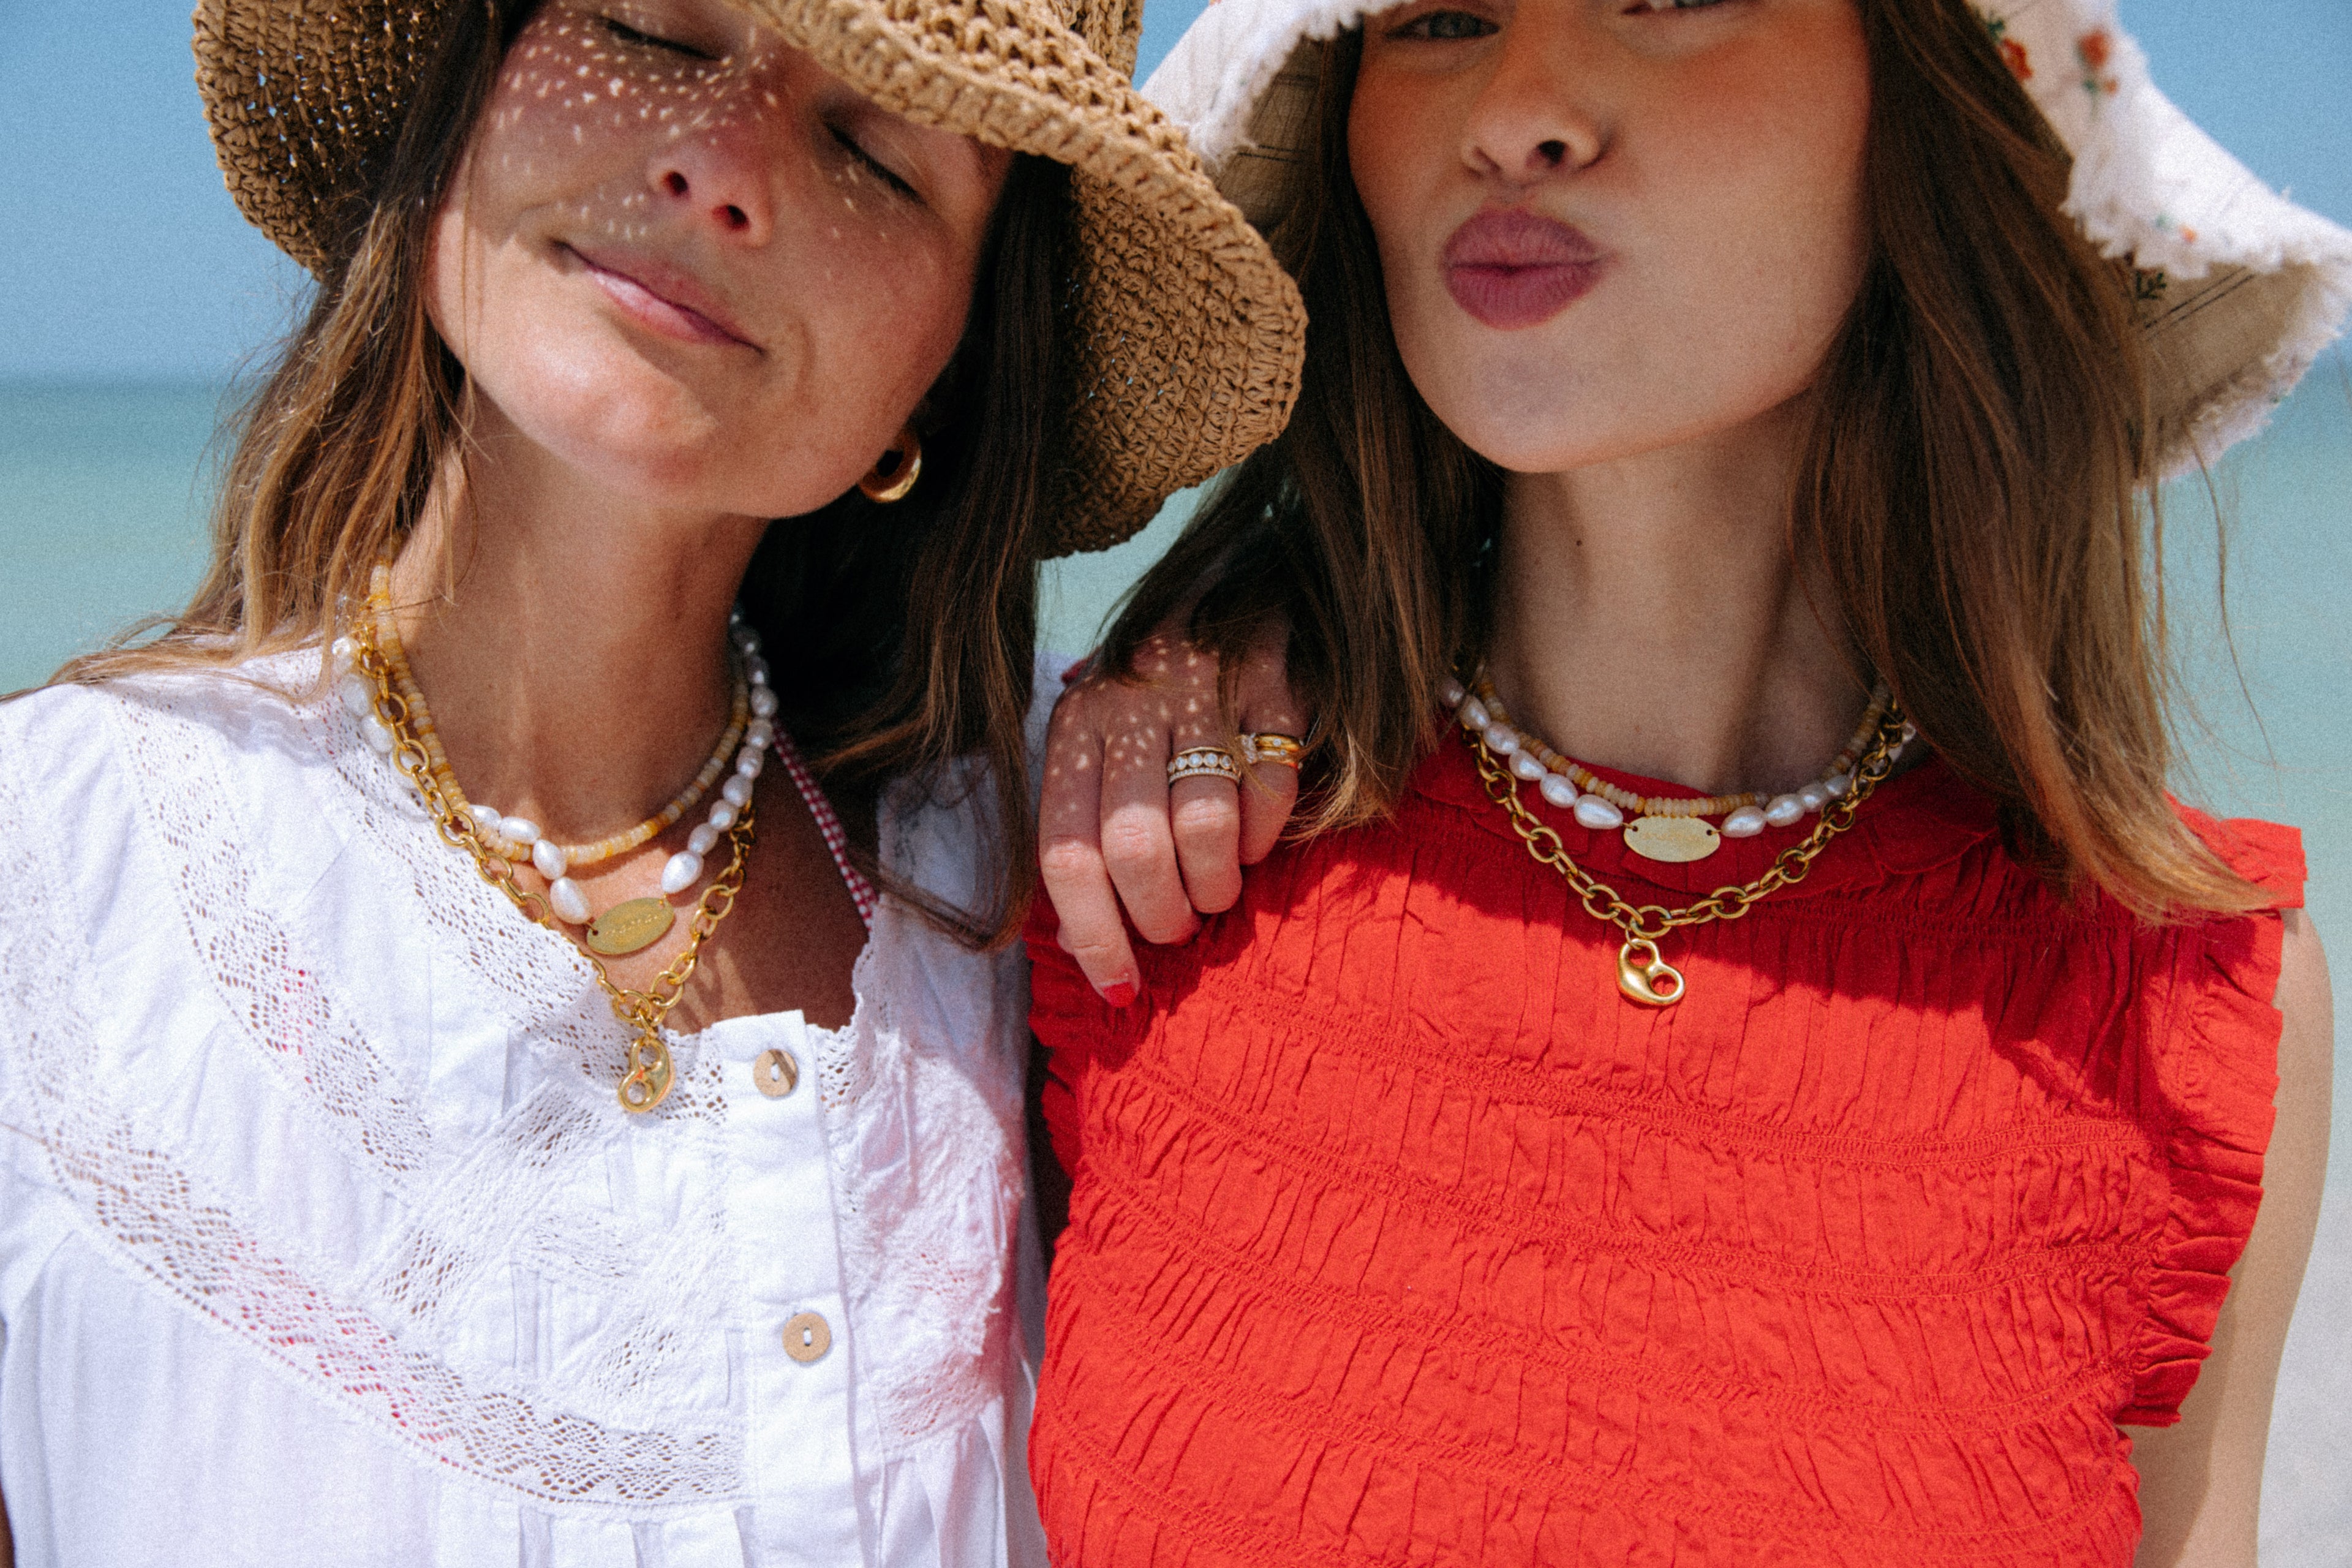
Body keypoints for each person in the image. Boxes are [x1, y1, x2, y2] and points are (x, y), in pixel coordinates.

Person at [1027, 0, 2349, 1562]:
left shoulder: (2176, 1003)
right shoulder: (1136, 862)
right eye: (1437, 19)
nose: (1517, 112)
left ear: (1929, 110)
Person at [0, 0, 1303, 1561]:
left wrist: (1256, 658)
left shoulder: (1062, 869)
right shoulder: (48, 879)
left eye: (875, 151)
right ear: (459, 103)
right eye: (654, 32)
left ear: (951, 365)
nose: (725, 167)